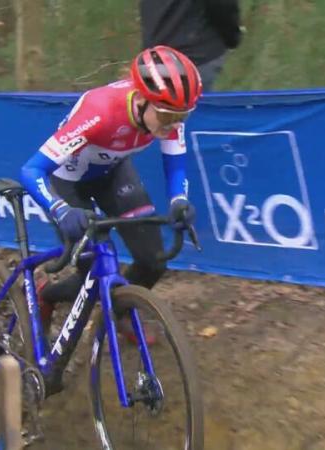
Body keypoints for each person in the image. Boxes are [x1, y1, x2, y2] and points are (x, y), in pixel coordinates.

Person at [20, 45, 201, 330]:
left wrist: (179, 200)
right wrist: (60, 209)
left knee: (154, 261)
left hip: (112, 172)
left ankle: (121, 311)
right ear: (141, 99)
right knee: (92, 276)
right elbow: (31, 169)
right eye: (167, 116)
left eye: (183, 117)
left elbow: (176, 164)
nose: (174, 124)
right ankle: (47, 294)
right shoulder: (101, 112)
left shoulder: (168, 113)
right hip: (68, 182)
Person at [140, 0, 242, 91]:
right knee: (206, 109)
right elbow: (222, 5)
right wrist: (232, 38)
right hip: (197, 57)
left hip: (155, 58)